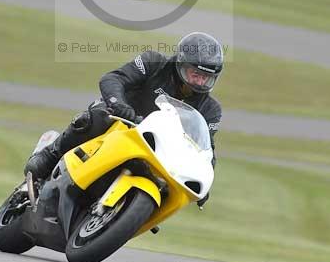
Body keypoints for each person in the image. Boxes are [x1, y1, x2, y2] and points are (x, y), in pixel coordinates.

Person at [24, 31, 224, 204]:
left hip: (158, 151)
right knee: (96, 116)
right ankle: (50, 154)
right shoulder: (154, 63)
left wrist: (204, 182)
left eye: (205, 77)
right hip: (121, 123)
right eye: (194, 74)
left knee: (170, 189)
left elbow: (205, 150)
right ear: (181, 64)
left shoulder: (211, 110)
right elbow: (113, 78)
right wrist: (119, 104)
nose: (199, 81)